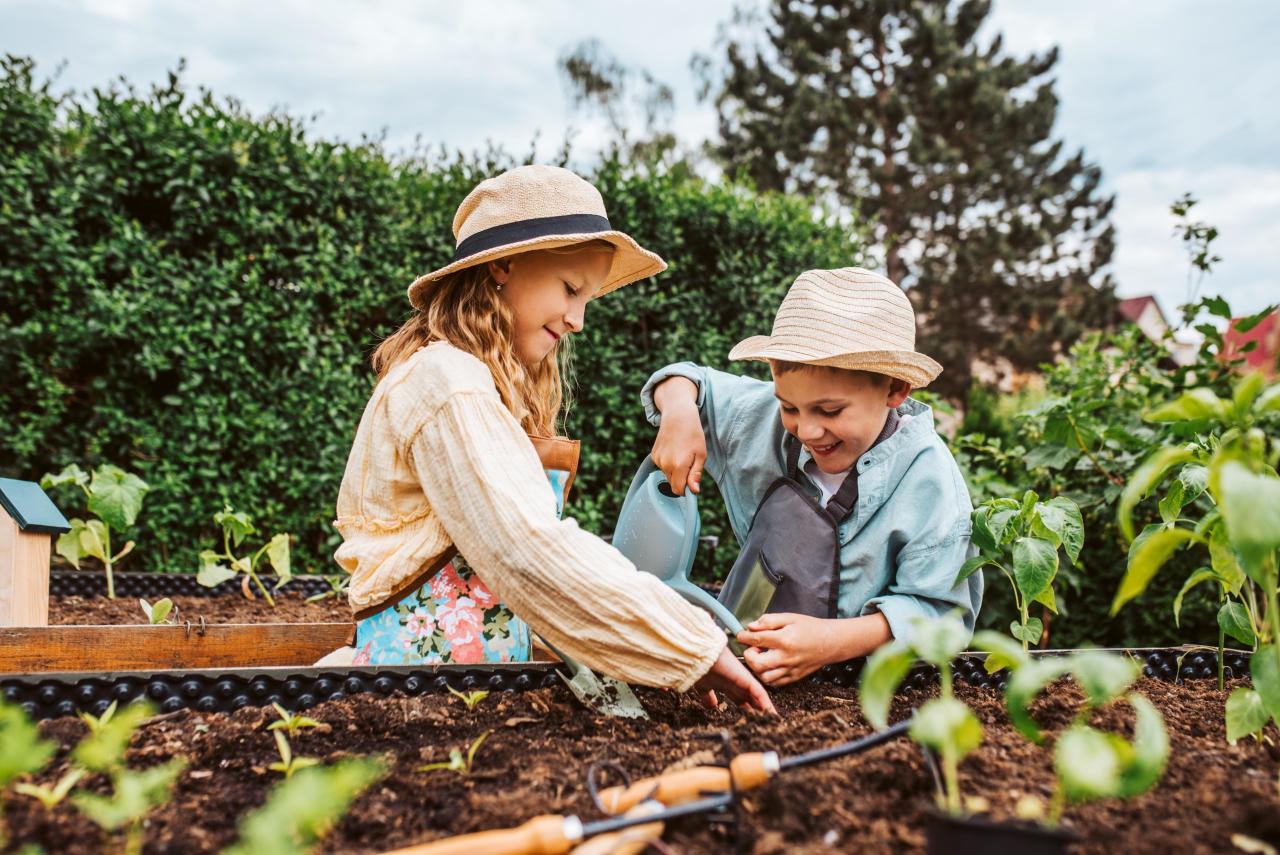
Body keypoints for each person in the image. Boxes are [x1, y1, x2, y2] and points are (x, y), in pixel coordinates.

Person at [330, 164, 773, 712]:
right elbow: (526, 550)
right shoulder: (450, 384)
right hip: (413, 701)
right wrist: (688, 647)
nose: (578, 320)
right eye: (570, 289)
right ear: (502, 265)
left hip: (463, 692)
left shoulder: (463, 379)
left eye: (588, 298)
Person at [643, 267, 981, 686]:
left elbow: (939, 615)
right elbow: (686, 379)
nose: (806, 430)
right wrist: (679, 411)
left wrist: (829, 642)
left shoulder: (929, 480)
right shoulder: (759, 418)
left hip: (863, 691)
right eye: (789, 407)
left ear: (895, 389)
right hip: (744, 666)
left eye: (830, 411)